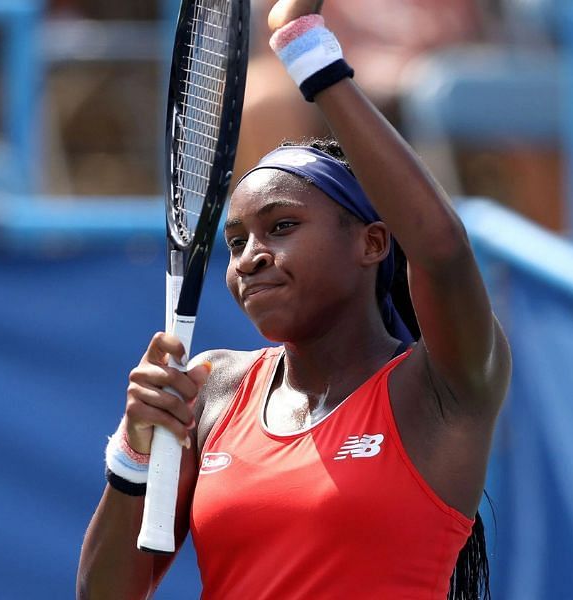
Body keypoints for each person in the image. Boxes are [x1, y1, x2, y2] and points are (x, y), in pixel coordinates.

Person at [78, 1, 511, 598]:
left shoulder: (441, 387)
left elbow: (441, 249)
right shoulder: (211, 389)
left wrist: (307, 50)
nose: (249, 256)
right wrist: (132, 454)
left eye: (281, 226)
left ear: (372, 242)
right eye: (235, 242)